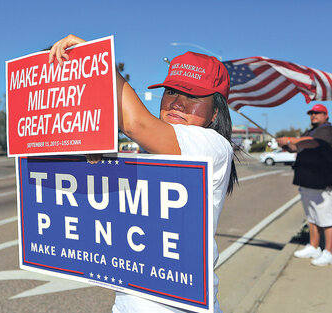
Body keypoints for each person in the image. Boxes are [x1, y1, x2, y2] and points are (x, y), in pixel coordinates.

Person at [49, 35, 237, 313]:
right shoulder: (156, 151)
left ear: (215, 114)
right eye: (172, 91)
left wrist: (95, 58)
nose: (177, 103)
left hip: (179, 306)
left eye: (193, 96)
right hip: (131, 298)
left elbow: (137, 123)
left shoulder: (213, 145)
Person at [277, 104, 332, 266]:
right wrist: (286, 144)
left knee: (327, 219)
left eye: (317, 113)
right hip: (308, 181)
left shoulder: (328, 130)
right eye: (311, 113)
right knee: (312, 217)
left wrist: (292, 140)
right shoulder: (309, 132)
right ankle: (314, 246)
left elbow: (313, 143)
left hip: (324, 183)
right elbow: (296, 148)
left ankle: (329, 252)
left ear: (326, 115)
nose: (314, 115)